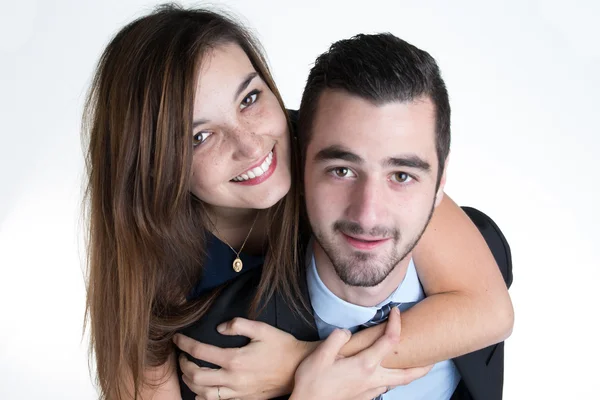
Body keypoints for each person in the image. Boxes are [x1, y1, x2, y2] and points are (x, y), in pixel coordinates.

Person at [81, 4, 513, 400]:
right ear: (152, 166)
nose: (252, 146)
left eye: (249, 99)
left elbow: (487, 309)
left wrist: (301, 363)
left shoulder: (328, 149)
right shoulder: (147, 271)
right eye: (200, 136)